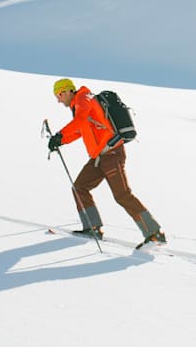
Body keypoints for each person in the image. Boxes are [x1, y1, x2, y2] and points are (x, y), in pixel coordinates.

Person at [47, 78, 166, 245]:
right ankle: (92, 228)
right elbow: (81, 129)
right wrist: (60, 140)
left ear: (67, 91)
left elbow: (80, 121)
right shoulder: (79, 104)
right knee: (79, 187)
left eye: (59, 95)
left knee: (122, 195)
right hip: (99, 157)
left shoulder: (83, 99)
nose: (58, 100)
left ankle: (154, 233)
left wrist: (60, 134)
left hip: (111, 154)